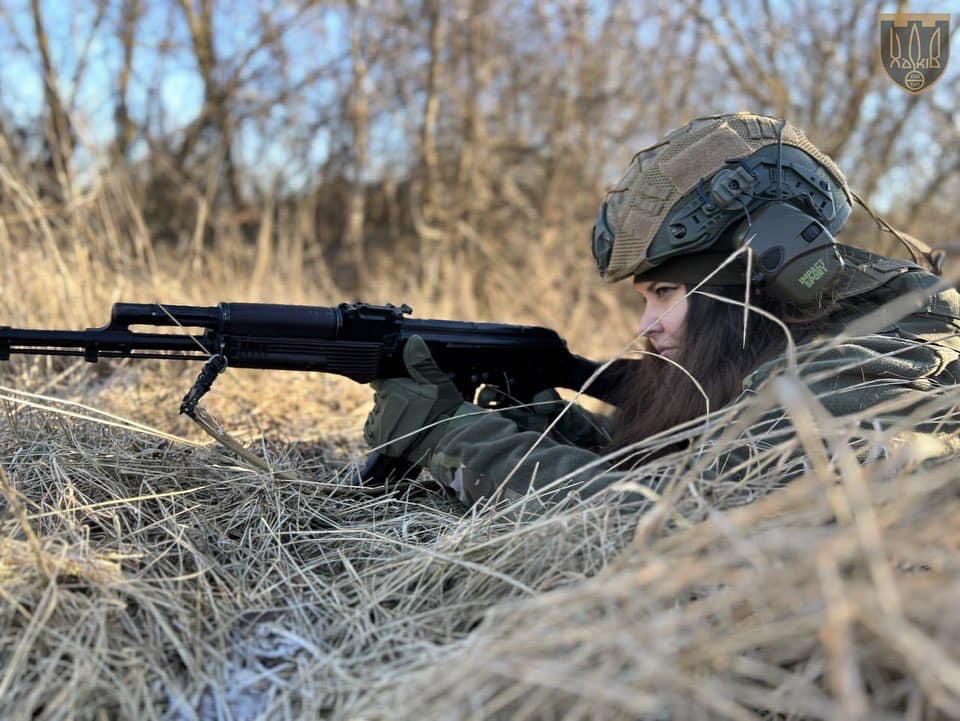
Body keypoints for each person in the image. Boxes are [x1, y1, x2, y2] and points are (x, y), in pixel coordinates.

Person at [363, 112, 960, 514]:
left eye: (667, 293)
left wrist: (449, 434)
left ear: (759, 281)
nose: (647, 327)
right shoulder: (796, 334)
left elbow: (665, 527)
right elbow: (697, 444)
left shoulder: (878, 364)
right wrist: (552, 420)